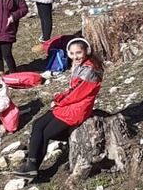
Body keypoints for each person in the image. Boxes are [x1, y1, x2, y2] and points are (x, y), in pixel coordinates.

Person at [14, 37, 104, 178]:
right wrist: (59, 99)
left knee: (47, 133)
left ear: (87, 51)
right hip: (70, 105)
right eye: (72, 53)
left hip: (77, 108)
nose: (75, 56)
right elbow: (73, 90)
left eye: (78, 53)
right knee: (38, 124)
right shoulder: (81, 65)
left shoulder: (89, 71)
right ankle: (31, 164)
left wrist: (58, 101)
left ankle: (33, 166)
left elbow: (76, 92)